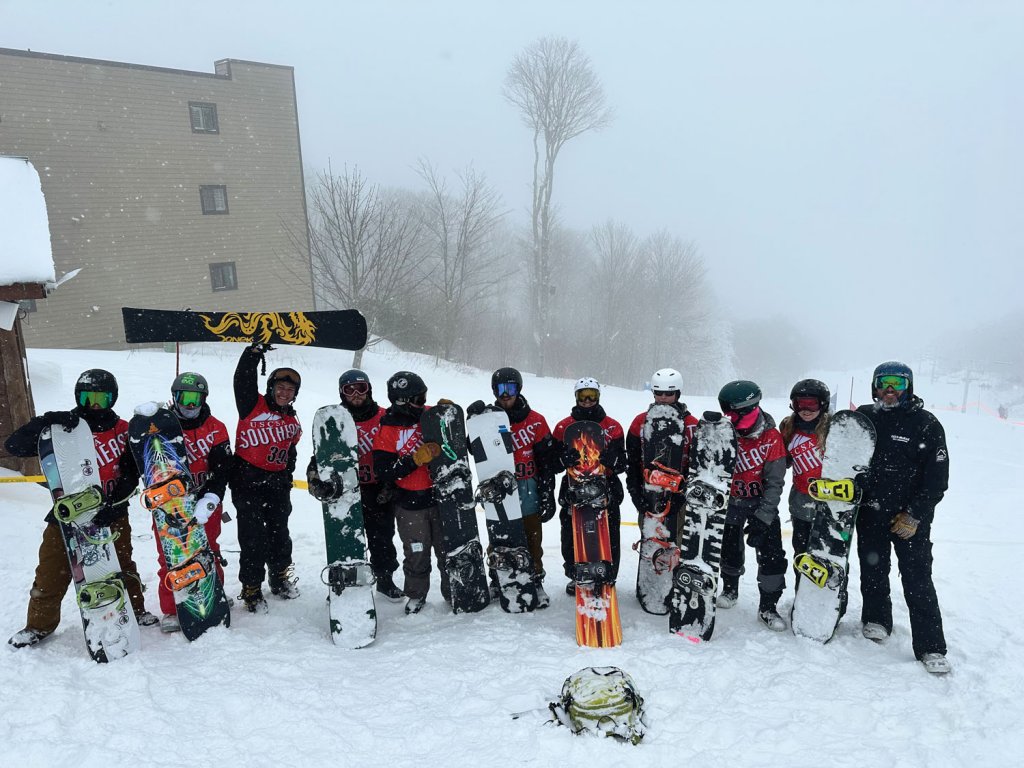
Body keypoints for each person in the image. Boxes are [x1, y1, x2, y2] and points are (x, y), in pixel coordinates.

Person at [6, 369, 157, 648]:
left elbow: (131, 474)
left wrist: (114, 505)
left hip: (111, 513)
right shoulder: (64, 428)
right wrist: (45, 422)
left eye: (103, 398)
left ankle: (135, 609)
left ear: (113, 398)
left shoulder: (123, 430)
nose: (95, 405)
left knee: (120, 564)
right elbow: (14, 446)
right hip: (67, 515)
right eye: (89, 397)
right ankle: (38, 625)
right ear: (79, 397)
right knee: (51, 570)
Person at [856, 361, 950, 674]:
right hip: (871, 511)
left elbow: (937, 479)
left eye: (897, 383)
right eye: (884, 382)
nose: (890, 389)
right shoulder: (865, 418)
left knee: (917, 578)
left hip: (909, 519)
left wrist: (914, 514)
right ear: (874, 386)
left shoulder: (926, 424)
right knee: (873, 569)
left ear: (908, 386)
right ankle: (877, 618)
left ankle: (931, 646)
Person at [306, 369, 403, 601]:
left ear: (369, 390)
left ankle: (385, 579)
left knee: (382, 537)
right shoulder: (334, 421)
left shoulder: (385, 417)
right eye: (349, 390)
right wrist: (315, 481)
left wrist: (392, 484)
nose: (356, 394)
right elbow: (320, 456)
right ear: (342, 393)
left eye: (361, 388)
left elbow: (401, 448)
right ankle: (345, 582)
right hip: (346, 490)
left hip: (378, 488)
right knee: (345, 538)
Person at [467, 367, 557, 607]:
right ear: (494, 391)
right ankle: (498, 578)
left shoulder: (535, 420)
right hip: (498, 488)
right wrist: (474, 421)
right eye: (500, 389)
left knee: (532, 536)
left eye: (510, 388)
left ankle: (534, 580)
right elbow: (474, 449)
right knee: (500, 535)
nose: (505, 394)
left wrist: (547, 492)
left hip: (527, 485)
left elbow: (546, 460)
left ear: (519, 389)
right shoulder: (489, 420)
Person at [154, 372, 233, 633]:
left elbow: (223, 468)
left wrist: (211, 498)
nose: (190, 404)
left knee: (208, 550)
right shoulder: (162, 426)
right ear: (174, 397)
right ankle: (172, 607)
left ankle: (215, 594)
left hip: (204, 499)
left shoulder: (216, 427)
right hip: (170, 503)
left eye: (195, 398)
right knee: (171, 554)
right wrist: (146, 422)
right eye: (184, 397)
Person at [230, 343, 303, 613]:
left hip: (277, 484)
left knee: (280, 534)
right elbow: (242, 381)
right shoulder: (252, 405)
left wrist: (287, 476)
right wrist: (252, 356)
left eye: (290, 390)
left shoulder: (292, 421)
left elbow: (291, 452)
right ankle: (251, 587)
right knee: (252, 537)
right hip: (247, 481)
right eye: (280, 388)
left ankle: (280, 577)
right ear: (271, 388)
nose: (284, 393)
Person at [371, 371, 447, 615]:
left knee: (446, 550)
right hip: (409, 503)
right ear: (401, 401)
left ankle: (453, 590)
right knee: (416, 553)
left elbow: (456, 439)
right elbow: (383, 471)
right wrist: (414, 460)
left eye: (424, 397)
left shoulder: (430, 415)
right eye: (418, 399)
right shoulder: (388, 429)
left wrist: (450, 414)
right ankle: (416, 594)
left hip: (439, 497)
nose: (422, 403)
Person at [717, 380, 789, 631]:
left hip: (761, 503)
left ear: (748, 409)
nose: (730, 419)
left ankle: (768, 606)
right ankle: (730, 588)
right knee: (729, 548)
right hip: (731, 502)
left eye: (733, 414)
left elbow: (775, 482)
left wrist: (764, 516)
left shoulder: (771, 438)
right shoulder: (723, 432)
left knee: (771, 556)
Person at [551, 378, 628, 595]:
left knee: (608, 532)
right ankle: (576, 572)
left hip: (606, 485)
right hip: (573, 484)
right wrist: (562, 460)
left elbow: (623, 463)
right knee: (571, 532)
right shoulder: (563, 427)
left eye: (591, 396)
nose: (587, 401)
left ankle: (608, 573)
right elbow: (551, 463)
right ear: (576, 397)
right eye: (583, 396)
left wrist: (613, 461)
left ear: (598, 397)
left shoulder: (612, 426)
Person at [625, 368, 699, 575]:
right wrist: (635, 493)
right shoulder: (640, 422)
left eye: (669, 393)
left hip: (678, 494)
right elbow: (632, 462)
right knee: (652, 539)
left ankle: (675, 577)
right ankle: (652, 579)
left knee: (677, 540)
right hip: (649, 493)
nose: (664, 398)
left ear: (678, 393)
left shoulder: (692, 425)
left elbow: (697, 466)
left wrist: (683, 495)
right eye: (659, 393)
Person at [778, 379, 831, 561]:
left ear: (823, 404)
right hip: (800, 501)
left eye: (812, 404)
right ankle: (801, 579)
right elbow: (782, 460)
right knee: (802, 554)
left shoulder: (833, 429)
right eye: (800, 404)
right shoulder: (789, 427)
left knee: (827, 555)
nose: (805, 410)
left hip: (828, 501)